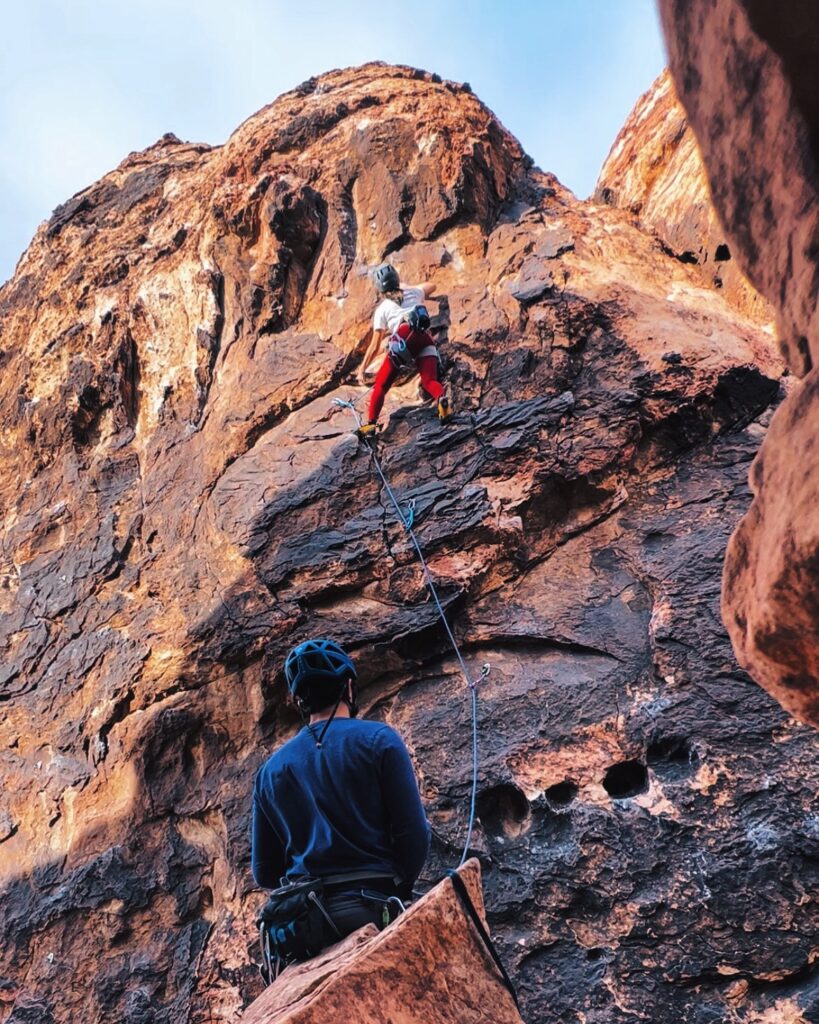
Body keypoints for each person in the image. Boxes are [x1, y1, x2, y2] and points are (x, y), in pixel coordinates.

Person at [251, 638, 430, 975]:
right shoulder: (379, 740)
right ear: (348, 686)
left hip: (305, 928)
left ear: (300, 701)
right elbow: (414, 836)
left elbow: (264, 871)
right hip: (372, 906)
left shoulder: (270, 772)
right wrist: (398, 888)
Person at [357, 263, 453, 437]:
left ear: (379, 288)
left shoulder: (383, 309)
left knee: (381, 384)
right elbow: (432, 286)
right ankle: (442, 400)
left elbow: (374, 345)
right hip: (424, 336)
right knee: (429, 381)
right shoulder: (413, 293)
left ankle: (370, 424)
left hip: (403, 337)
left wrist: (362, 368)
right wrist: (408, 287)